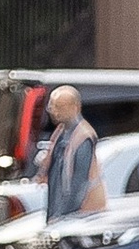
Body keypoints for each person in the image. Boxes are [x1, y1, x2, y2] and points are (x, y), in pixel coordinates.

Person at [41, 83, 106, 221]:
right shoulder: (60, 132)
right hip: (59, 214)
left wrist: (64, 217)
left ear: (75, 107)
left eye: (59, 107)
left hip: (81, 216)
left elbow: (79, 184)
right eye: (52, 106)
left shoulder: (83, 136)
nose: (54, 111)